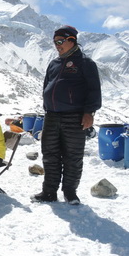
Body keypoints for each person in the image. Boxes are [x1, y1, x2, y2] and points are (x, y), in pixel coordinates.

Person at [31, 25, 102, 205]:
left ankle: (70, 192)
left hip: (75, 117)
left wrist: (89, 113)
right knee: (50, 155)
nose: (57, 45)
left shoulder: (85, 63)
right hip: (52, 116)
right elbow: (47, 85)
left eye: (60, 41)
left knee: (73, 156)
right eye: (55, 42)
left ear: (72, 40)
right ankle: (49, 192)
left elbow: (94, 90)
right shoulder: (54, 64)